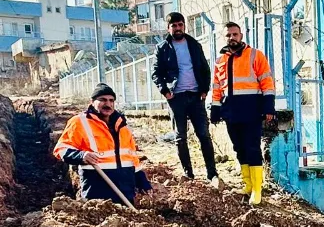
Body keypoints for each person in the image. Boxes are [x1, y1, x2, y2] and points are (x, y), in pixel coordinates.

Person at [53, 83, 152, 205]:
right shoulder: (79, 122)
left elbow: (131, 156)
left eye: (111, 100)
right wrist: (81, 156)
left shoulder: (122, 126)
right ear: (92, 101)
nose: (108, 104)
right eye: (103, 100)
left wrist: (141, 179)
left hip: (125, 189)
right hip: (97, 189)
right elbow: (60, 149)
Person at [210, 21, 275, 205]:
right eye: (228, 35)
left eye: (235, 34)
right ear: (224, 38)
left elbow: (267, 82)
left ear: (241, 36)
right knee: (238, 148)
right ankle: (247, 184)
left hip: (251, 109)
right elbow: (217, 87)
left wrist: (268, 106)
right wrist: (215, 108)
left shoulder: (255, 55)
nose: (232, 38)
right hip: (231, 111)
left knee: (252, 148)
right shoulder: (220, 60)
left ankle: (257, 189)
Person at [151, 11, 219, 185]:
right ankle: (188, 174)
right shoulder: (162, 48)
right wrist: (165, 91)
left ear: (184, 26)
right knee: (180, 137)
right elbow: (156, 73)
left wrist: (204, 89)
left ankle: (212, 173)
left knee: (203, 135)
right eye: (174, 25)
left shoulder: (194, 44)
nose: (178, 28)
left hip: (196, 97)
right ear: (169, 28)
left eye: (180, 24)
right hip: (176, 97)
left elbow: (205, 68)